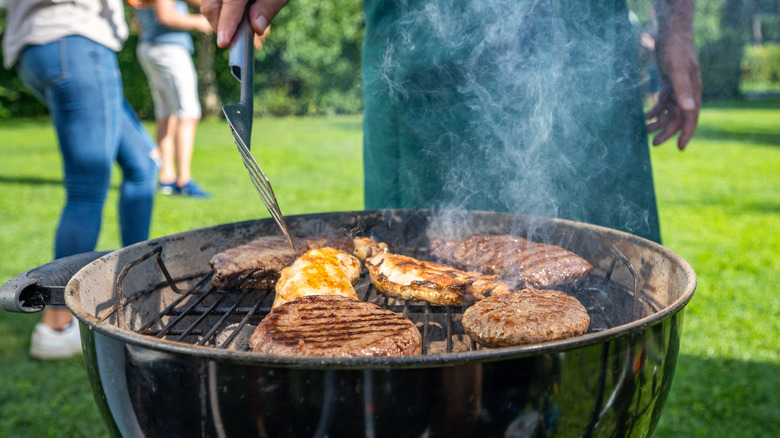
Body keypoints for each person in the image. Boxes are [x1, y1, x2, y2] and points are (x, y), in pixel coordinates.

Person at [201, 0, 701, 244]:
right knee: (420, 295)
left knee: (606, 283)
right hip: (426, 61)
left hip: (584, 53)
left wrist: (678, 26)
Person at [2, 0, 158, 359]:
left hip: (42, 46)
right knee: (87, 189)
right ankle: (57, 325)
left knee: (143, 165)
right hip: (74, 40)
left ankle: (142, 287)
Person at [135, 0, 213, 198]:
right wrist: (199, 21)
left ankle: (166, 177)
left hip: (149, 46)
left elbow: (136, 22)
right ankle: (183, 180)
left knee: (166, 114)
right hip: (169, 50)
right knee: (189, 114)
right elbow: (166, 15)